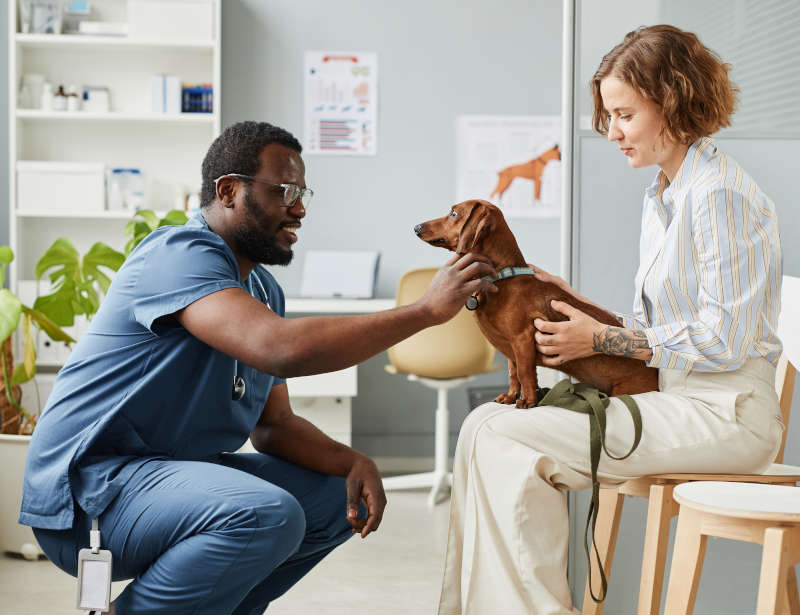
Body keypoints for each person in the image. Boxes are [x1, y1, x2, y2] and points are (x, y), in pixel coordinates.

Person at [20, 121, 498, 615]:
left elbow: (275, 426)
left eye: (303, 192)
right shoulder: (177, 254)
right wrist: (424, 312)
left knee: (336, 499)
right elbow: (278, 348)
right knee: (266, 514)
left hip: (174, 479)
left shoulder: (263, 289)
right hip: (91, 495)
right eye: (285, 191)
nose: (300, 208)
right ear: (228, 191)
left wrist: (352, 462)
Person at [438, 24, 783, 615]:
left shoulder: (719, 196)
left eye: (624, 114)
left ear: (672, 101)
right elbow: (679, 330)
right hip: (676, 397)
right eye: (608, 115)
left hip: (724, 415)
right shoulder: (667, 194)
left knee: (503, 436)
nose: (612, 132)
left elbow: (724, 341)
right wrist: (581, 308)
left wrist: (598, 337)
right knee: (480, 428)